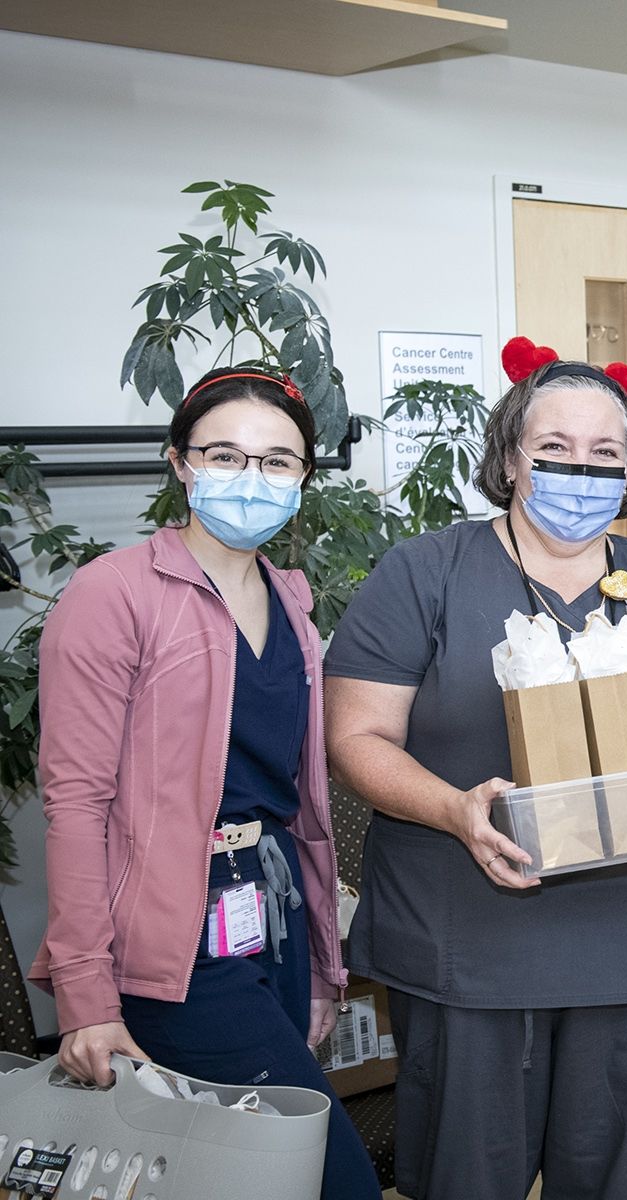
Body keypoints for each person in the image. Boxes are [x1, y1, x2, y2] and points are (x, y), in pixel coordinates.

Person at [322, 342, 627, 1200]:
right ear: (511, 457)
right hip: (472, 946)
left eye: (605, 455)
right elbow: (357, 737)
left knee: (612, 1177)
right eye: (553, 451)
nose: (578, 472)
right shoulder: (425, 575)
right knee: (470, 1177)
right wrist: (453, 809)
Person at [29, 366, 381, 1199]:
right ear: (180, 463)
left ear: (304, 477)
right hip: (172, 940)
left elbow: (304, 807)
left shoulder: (290, 599)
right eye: (224, 454)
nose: (249, 479)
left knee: (233, 1178)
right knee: (330, 1180)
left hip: (274, 911)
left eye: (277, 462)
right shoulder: (111, 595)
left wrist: (324, 961)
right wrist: (84, 995)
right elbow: (75, 802)